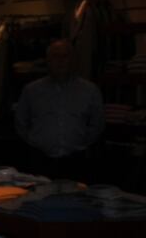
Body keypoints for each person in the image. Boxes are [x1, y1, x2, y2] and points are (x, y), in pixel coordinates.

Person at [15, 38, 104, 180]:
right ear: (48, 60)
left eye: (65, 56)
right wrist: (35, 142)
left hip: (76, 161)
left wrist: (80, 142)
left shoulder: (90, 90)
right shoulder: (31, 90)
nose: (60, 61)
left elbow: (97, 123)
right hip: (40, 161)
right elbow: (21, 122)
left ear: (73, 60)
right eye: (55, 56)